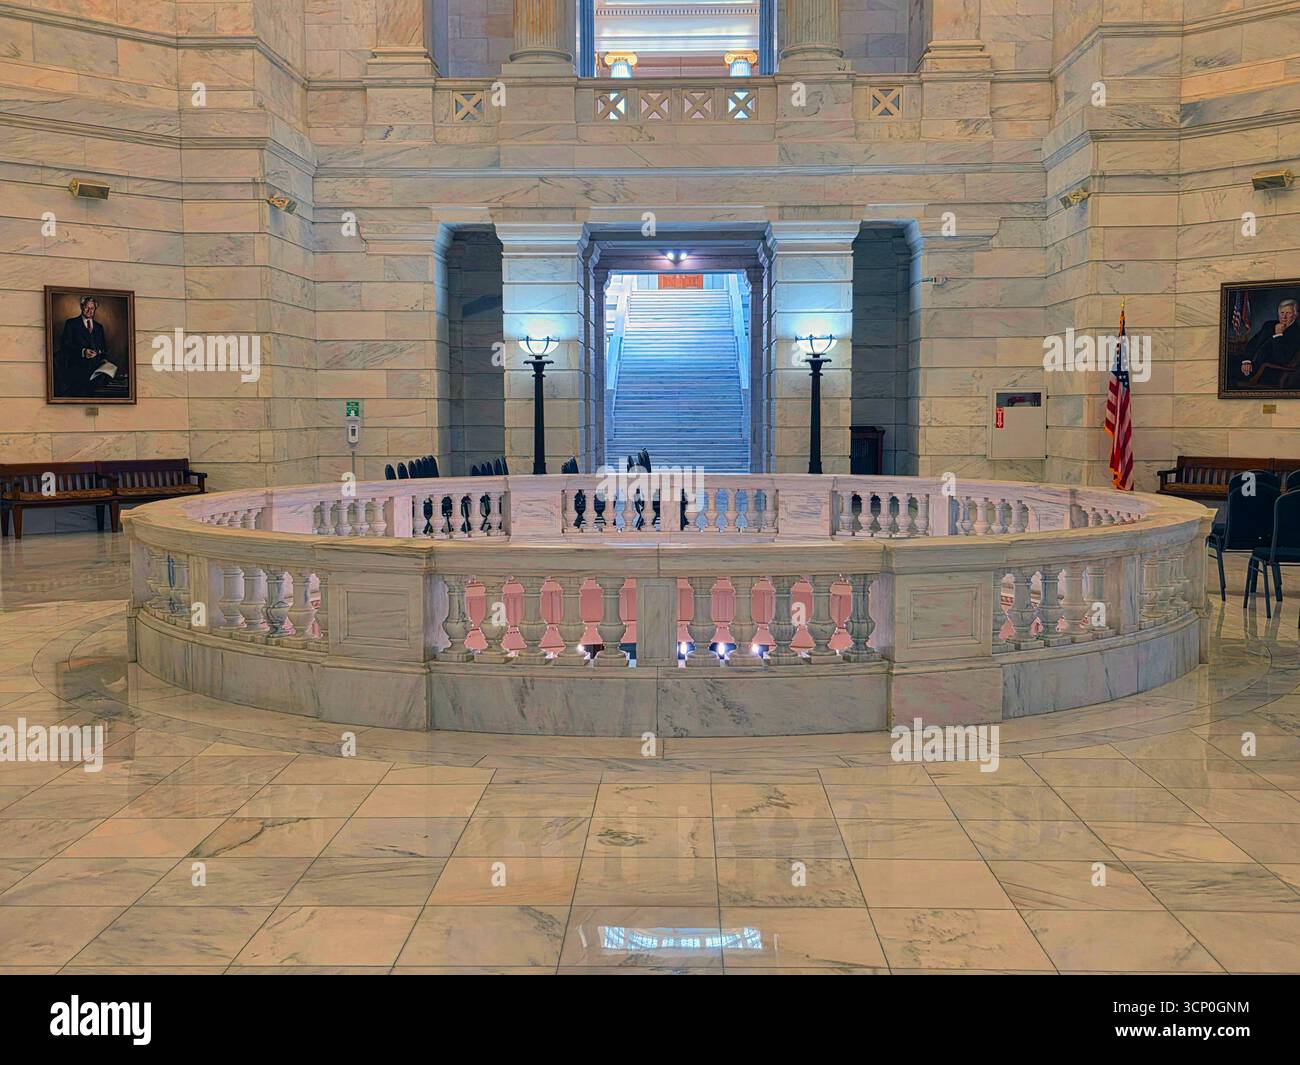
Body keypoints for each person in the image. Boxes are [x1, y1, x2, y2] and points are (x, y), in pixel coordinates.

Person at [56, 295, 118, 397]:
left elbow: (103, 349)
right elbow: (65, 346)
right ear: (81, 307)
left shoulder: (99, 327)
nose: (89, 310)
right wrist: (83, 352)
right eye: (87, 308)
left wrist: (103, 359)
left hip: (96, 373)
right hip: (76, 373)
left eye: (92, 308)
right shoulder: (71, 324)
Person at [1237, 297, 1300, 389]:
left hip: (1268, 371)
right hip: (1251, 364)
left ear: (1295, 315)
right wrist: (1246, 361)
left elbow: (1283, 360)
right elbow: (1253, 343)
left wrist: (1278, 335)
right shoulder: (1269, 325)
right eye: (1282, 313)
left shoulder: (1297, 333)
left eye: (1288, 313)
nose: (1284, 316)